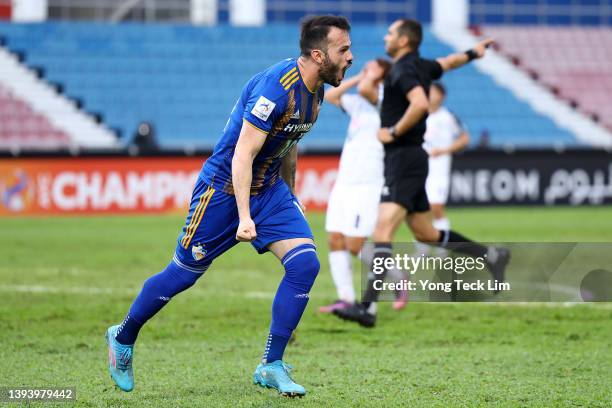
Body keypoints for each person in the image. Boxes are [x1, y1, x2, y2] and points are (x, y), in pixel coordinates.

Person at [105, 15, 353, 397]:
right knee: (183, 273)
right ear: (319, 55)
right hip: (222, 191)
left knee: (305, 263)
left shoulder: (316, 88)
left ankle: (271, 364)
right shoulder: (276, 88)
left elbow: (289, 142)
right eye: (344, 50)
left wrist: (290, 194)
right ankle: (123, 336)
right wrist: (243, 217)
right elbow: (241, 155)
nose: (351, 57)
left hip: (268, 189)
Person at [334, 19, 509, 328]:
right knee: (426, 234)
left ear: (403, 41)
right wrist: (473, 53)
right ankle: (491, 256)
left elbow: (420, 103)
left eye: (390, 33)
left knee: (382, 232)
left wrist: (394, 130)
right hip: (410, 160)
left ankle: (368, 309)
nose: (386, 37)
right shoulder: (421, 65)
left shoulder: (402, 71)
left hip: (404, 159)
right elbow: (449, 61)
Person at [318, 58, 400, 314]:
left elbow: (366, 89)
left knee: (355, 244)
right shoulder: (360, 104)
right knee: (334, 238)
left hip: (369, 181)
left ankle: (398, 277)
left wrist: (367, 79)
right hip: (345, 180)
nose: (364, 70)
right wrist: (355, 78)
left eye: (371, 67)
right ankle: (346, 299)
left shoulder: (386, 100)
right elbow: (332, 96)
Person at [413, 82, 470, 257]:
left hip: (438, 170)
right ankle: (422, 250)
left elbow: (464, 138)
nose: (431, 96)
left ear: (442, 97)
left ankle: (442, 250)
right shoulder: (417, 114)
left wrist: (444, 150)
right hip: (418, 169)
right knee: (419, 209)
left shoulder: (447, 117)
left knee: (435, 207)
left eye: (435, 93)